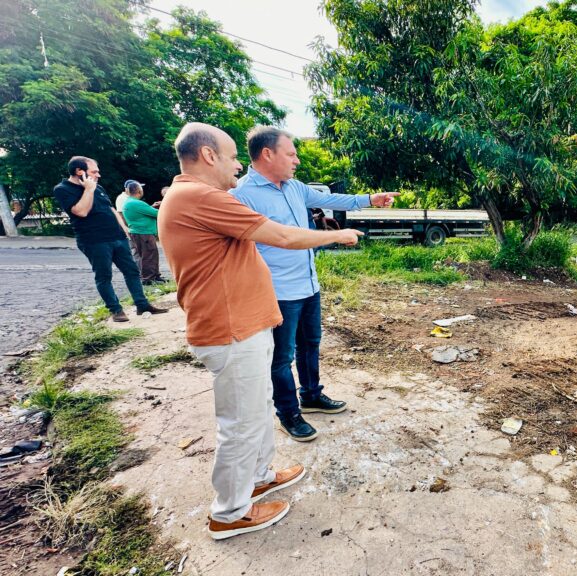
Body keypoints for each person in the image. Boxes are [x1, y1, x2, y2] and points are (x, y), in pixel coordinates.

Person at [158, 122, 364, 540]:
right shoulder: (201, 197)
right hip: (230, 330)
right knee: (242, 423)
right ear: (209, 155)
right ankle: (229, 513)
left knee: (255, 410)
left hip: (243, 325)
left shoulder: (192, 197)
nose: (237, 165)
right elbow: (282, 235)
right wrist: (337, 235)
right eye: (233, 156)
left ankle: (260, 476)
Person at [233, 126, 397, 442]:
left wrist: (370, 199)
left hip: (308, 284)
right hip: (276, 291)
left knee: (311, 344)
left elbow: (331, 197)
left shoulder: (295, 187)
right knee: (282, 357)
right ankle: (288, 413)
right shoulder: (241, 196)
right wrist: (335, 235)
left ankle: (310, 394)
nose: (296, 160)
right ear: (267, 154)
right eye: (291, 153)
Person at [52, 157, 167, 322]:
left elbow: (111, 209)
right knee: (104, 276)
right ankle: (116, 310)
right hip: (93, 240)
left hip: (117, 237)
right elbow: (81, 211)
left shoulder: (98, 187)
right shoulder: (63, 189)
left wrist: (125, 230)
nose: (98, 175)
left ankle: (142, 305)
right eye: (94, 171)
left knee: (132, 271)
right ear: (79, 171)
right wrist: (88, 190)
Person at [121, 180, 164, 285]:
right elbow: (158, 214)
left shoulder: (129, 202)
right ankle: (149, 279)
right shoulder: (137, 203)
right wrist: (164, 205)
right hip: (144, 233)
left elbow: (144, 211)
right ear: (139, 191)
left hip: (138, 232)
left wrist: (151, 207)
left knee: (147, 255)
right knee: (149, 255)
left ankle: (154, 276)